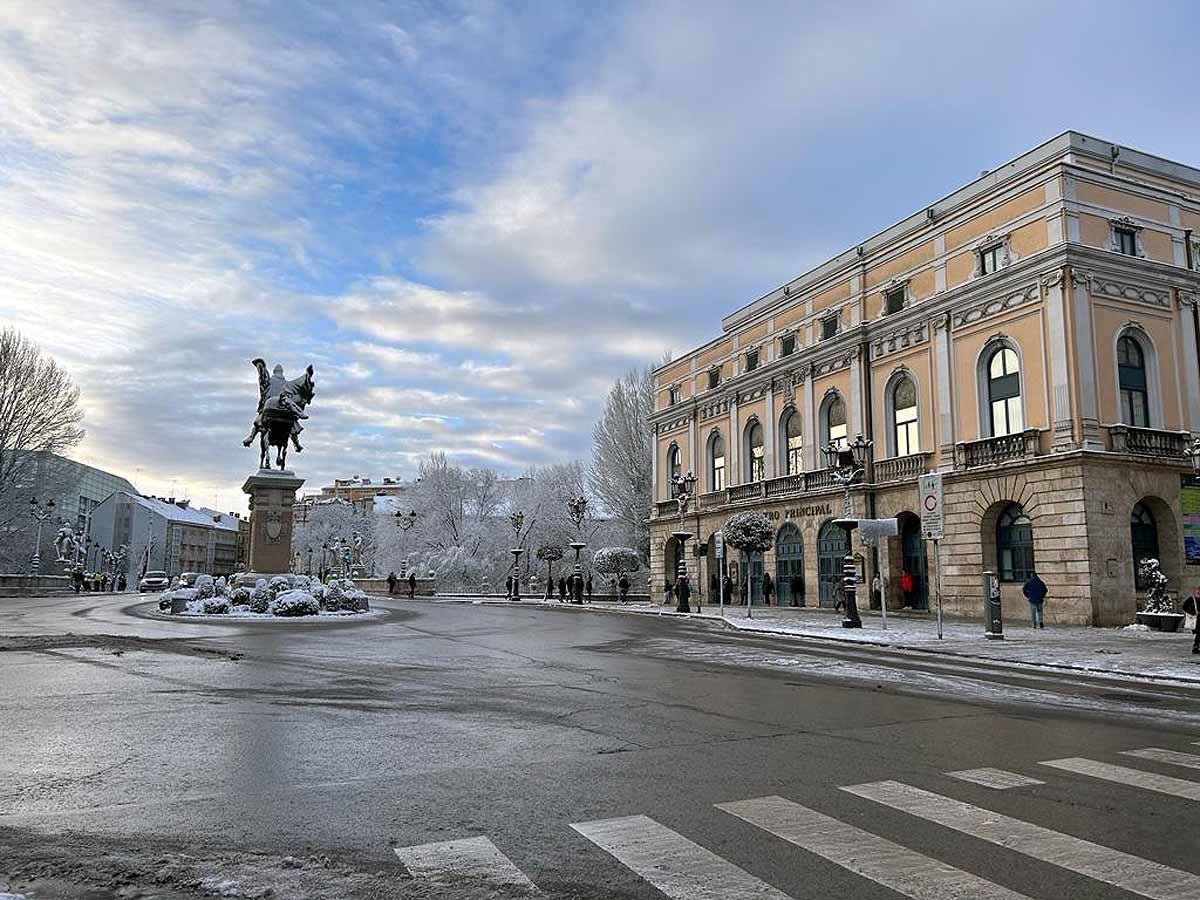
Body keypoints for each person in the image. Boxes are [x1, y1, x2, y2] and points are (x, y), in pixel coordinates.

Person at [1183, 586, 1200, 655]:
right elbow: (1184, 607)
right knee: (1198, 633)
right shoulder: (1191, 599)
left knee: (1199, 634)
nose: (1198, 593)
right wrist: (1193, 612)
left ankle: (1196, 647)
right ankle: (1195, 647)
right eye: (1197, 591)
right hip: (1195, 620)